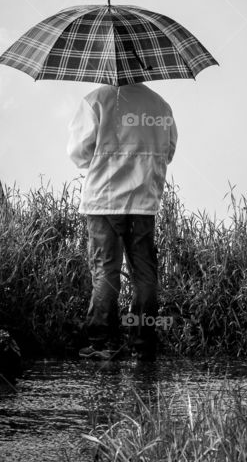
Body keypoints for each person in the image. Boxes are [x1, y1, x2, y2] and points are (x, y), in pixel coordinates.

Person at [67, 83, 176, 361]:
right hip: (144, 201)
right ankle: (142, 343)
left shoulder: (96, 100)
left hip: (104, 199)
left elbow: (79, 153)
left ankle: (103, 343)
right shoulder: (160, 105)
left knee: (105, 269)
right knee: (144, 272)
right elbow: (169, 150)